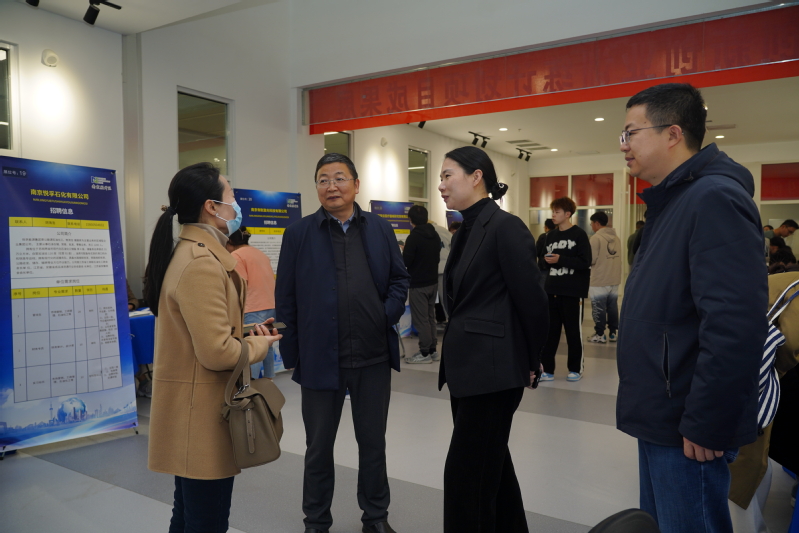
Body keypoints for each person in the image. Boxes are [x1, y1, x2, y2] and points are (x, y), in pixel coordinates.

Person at [616, 83, 767, 533]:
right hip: (661, 411)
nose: (623, 145)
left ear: (672, 134)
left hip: (687, 422)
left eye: (631, 133)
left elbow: (734, 324)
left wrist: (706, 421)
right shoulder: (673, 201)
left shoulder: (713, 198)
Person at [275, 153, 410, 533]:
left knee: (373, 444)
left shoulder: (380, 229)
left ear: (356, 184)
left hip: (372, 355)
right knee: (318, 447)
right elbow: (285, 297)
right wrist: (291, 352)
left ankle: (376, 517)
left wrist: (384, 314)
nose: (331, 186)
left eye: (339, 178)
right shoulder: (298, 234)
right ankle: (316, 521)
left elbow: (400, 279)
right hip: (320, 356)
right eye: (323, 179)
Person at [143, 162, 280, 533]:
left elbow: (201, 334)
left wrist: (245, 333)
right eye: (231, 196)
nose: (236, 205)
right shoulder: (201, 263)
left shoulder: (192, 254)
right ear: (211, 206)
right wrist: (259, 346)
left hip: (193, 411)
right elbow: (217, 352)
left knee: (188, 517)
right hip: (202, 417)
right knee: (207, 522)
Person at [437, 146, 548, 533]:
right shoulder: (466, 230)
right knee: (493, 469)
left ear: (476, 177)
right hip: (468, 371)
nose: (441, 185)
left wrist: (532, 359)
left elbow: (532, 300)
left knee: (466, 480)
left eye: (447, 175)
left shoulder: (505, 227)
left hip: (494, 373)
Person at [728, 270, 799, 533]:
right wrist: (777, 372)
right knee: (749, 463)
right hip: (761, 384)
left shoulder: (782, 280)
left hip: (744, 376)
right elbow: (790, 346)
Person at [540, 196, 591, 382]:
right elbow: (542, 261)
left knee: (573, 332)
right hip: (552, 290)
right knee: (550, 332)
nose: (553, 215)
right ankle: (547, 370)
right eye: (552, 211)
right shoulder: (549, 236)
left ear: (568, 214)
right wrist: (546, 261)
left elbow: (585, 262)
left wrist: (560, 259)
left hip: (572, 291)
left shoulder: (579, 235)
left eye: (557, 212)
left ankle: (575, 368)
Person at [227, 227, 277, 380]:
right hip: (270, 304)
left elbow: (240, 285)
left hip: (252, 307)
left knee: (253, 345)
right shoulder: (260, 253)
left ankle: (252, 382)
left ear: (230, 241)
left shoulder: (236, 256)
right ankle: (269, 379)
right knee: (266, 342)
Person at [403, 205, 442, 364]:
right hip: (433, 282)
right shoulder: (435, 234)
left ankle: (424, 353)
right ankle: (433, 350)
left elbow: (406, 261)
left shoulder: (414, 237)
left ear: (411, 220)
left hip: (418, 284)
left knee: (421, 320)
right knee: (430, 317)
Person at [587, 211, 621, 343]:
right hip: (614, 278)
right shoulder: (616, 238)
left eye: (591, 223)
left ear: (597, 223)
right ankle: (613, 333)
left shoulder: (596, 238)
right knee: (612, 307)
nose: (591, 226)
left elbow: (591, 259)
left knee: (598, 307)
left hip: (600, 278)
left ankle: (600, 334)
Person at [430, 219, 452, 324]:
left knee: (434, 298)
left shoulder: (426, 231)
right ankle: (448, 318)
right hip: (446, 266)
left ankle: (440, 319)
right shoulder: (444, 230)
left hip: (433, 268)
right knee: (445, 297)